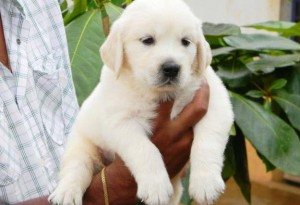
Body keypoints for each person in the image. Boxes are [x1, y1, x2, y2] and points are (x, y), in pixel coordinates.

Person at [0, 0, 210, 204]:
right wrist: (110, 189)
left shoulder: (40, 4)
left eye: (185, 42)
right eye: (147, 40)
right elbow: (102, 133)